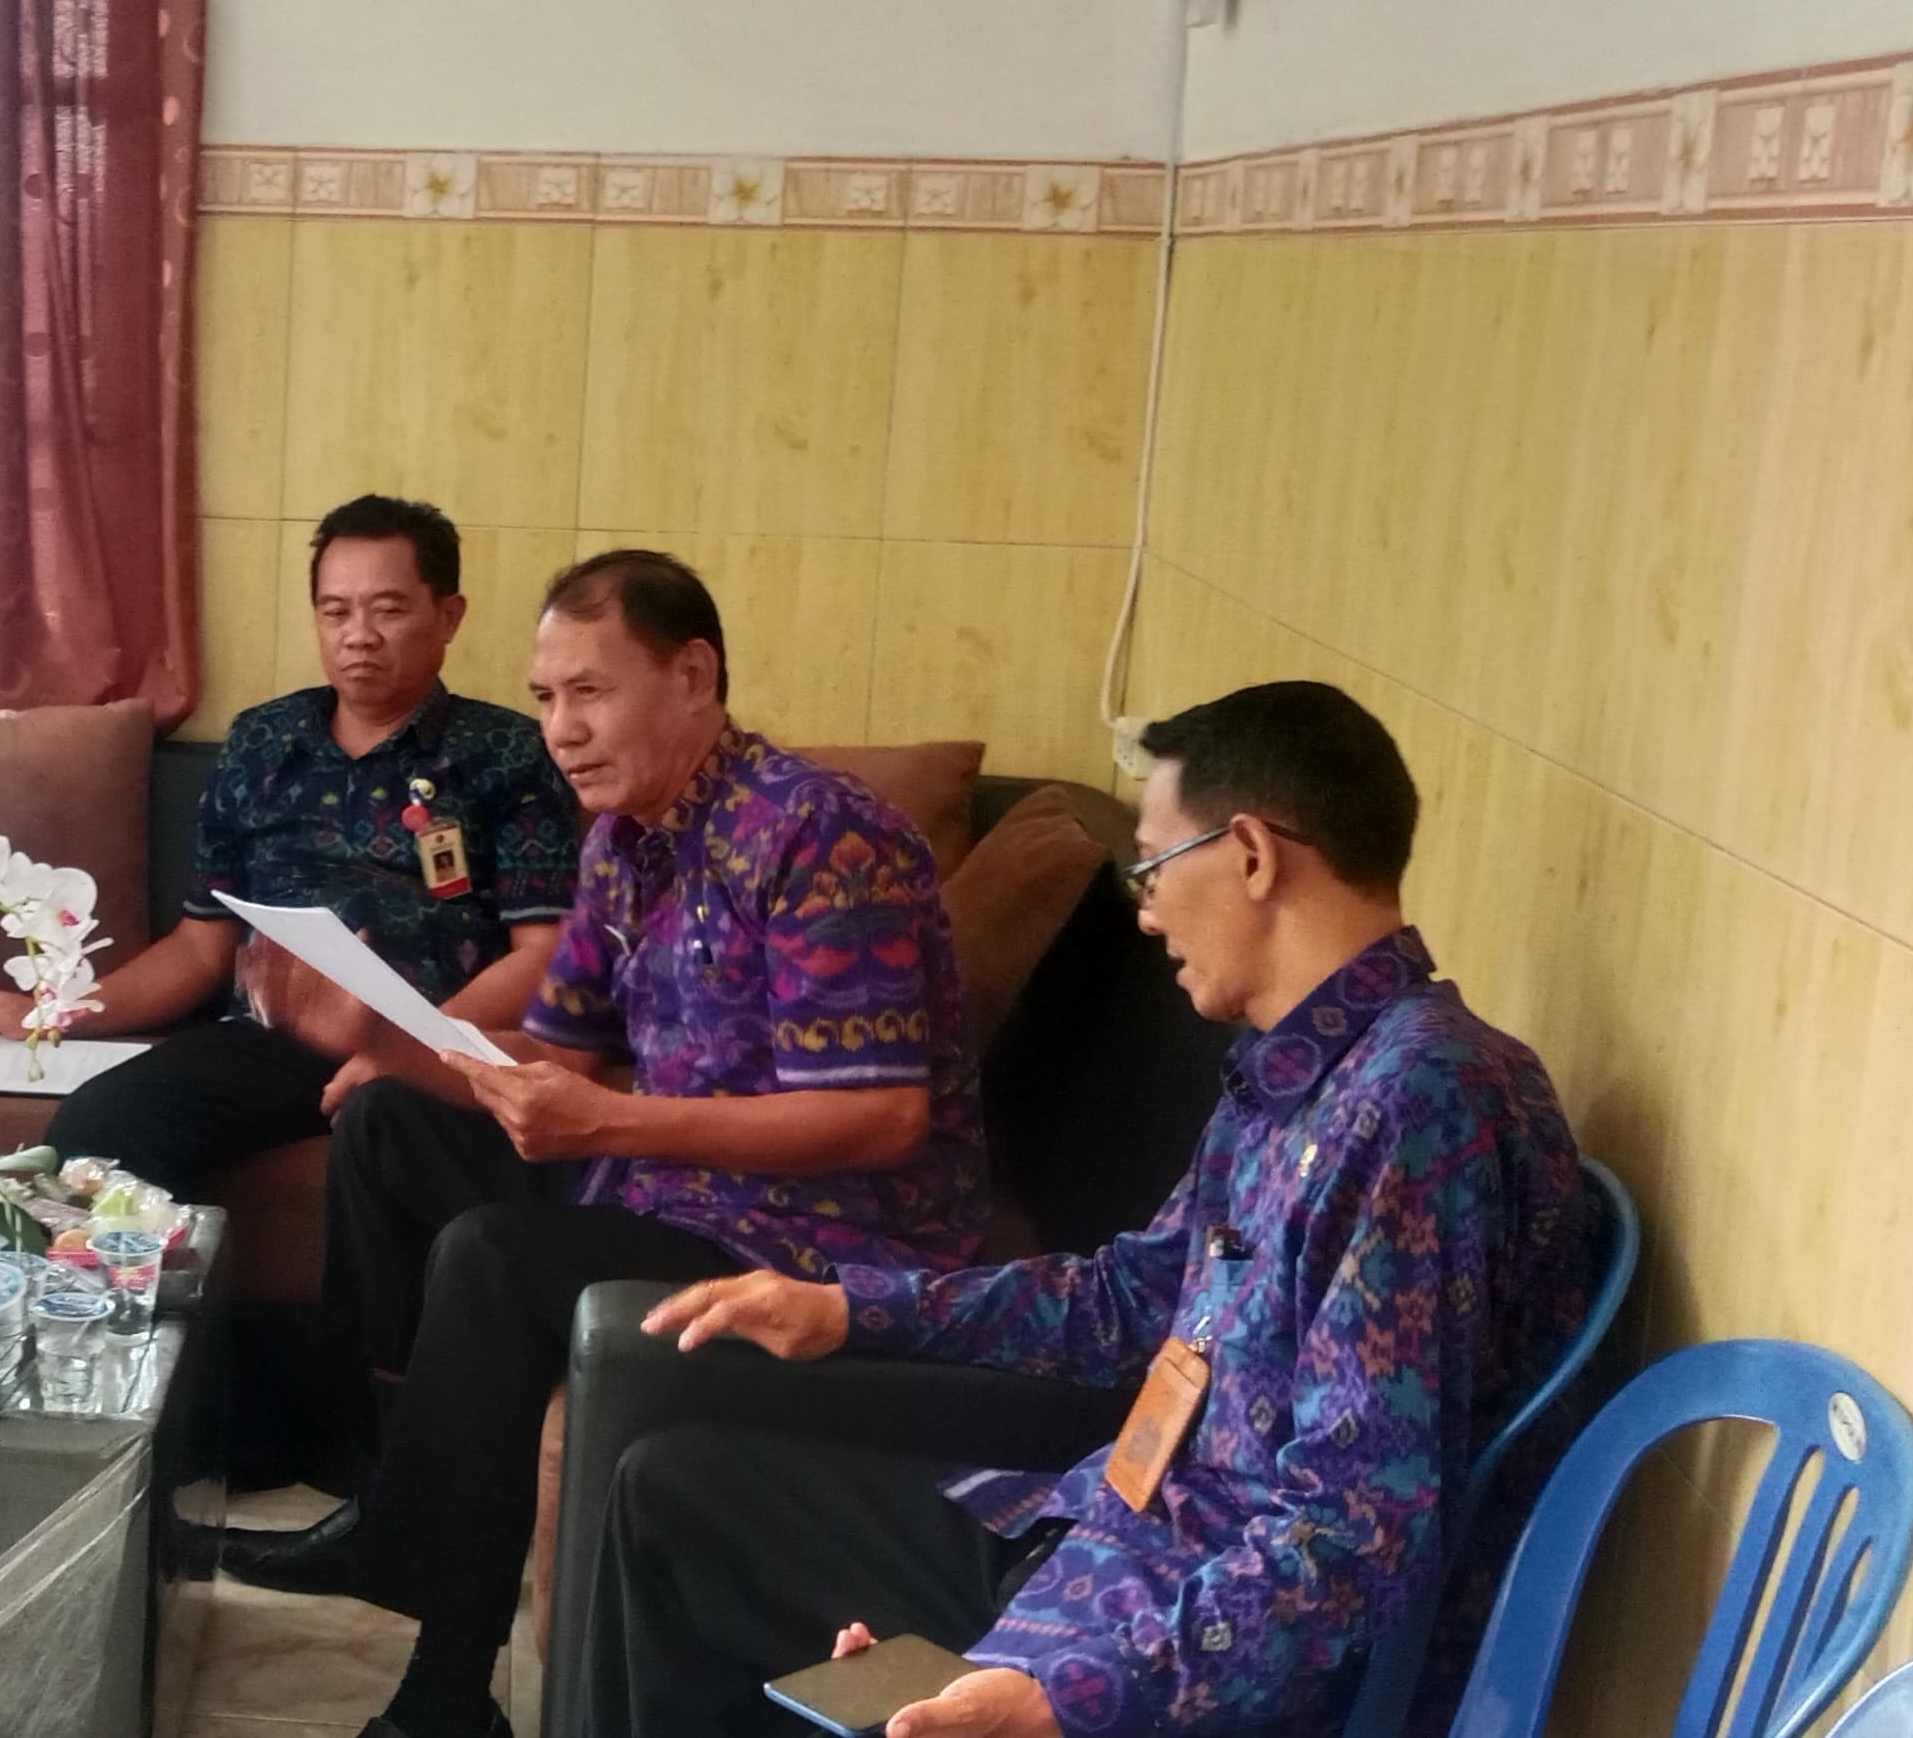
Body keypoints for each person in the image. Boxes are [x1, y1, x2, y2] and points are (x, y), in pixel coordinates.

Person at [601, 680, 1601, 1738]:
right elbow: (1133, 1295)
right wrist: (852, 1309)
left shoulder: (1419, 1106)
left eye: (1155, 868)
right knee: (676, 1493)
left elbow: (1356, 1534)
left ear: (1252, 855)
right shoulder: (1293, 1073)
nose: (1147, 911)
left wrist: (1064, 1694)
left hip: (1188, 1638)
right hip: (1117, 1535)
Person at [222, 550, 989, 1738]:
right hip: (672, 1186)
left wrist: (614, 1122)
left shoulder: (823, 836)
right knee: (386, 1125)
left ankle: (442, 1696)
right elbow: (557, 1055)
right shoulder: (622, 843)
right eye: (545, 698)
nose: (562, 730)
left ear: (694, 677)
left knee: (495, 1257)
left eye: (590, 692)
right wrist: (379, 1032)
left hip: (818, 1237)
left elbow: (881, 1116)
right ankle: (389, 1498)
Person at [0, 494, 579, 1191]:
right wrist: (49, 1013)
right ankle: (166, 1268)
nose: (359, 636)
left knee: (388, 1129)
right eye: (336, 612)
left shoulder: (509, 753)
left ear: (448, 616)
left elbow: (542, 952)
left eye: (388, 610)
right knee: (99, 1128)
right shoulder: (262, 742)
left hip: (434, 1048)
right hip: (272, 1043)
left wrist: (420, 1052)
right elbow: (198, 948)